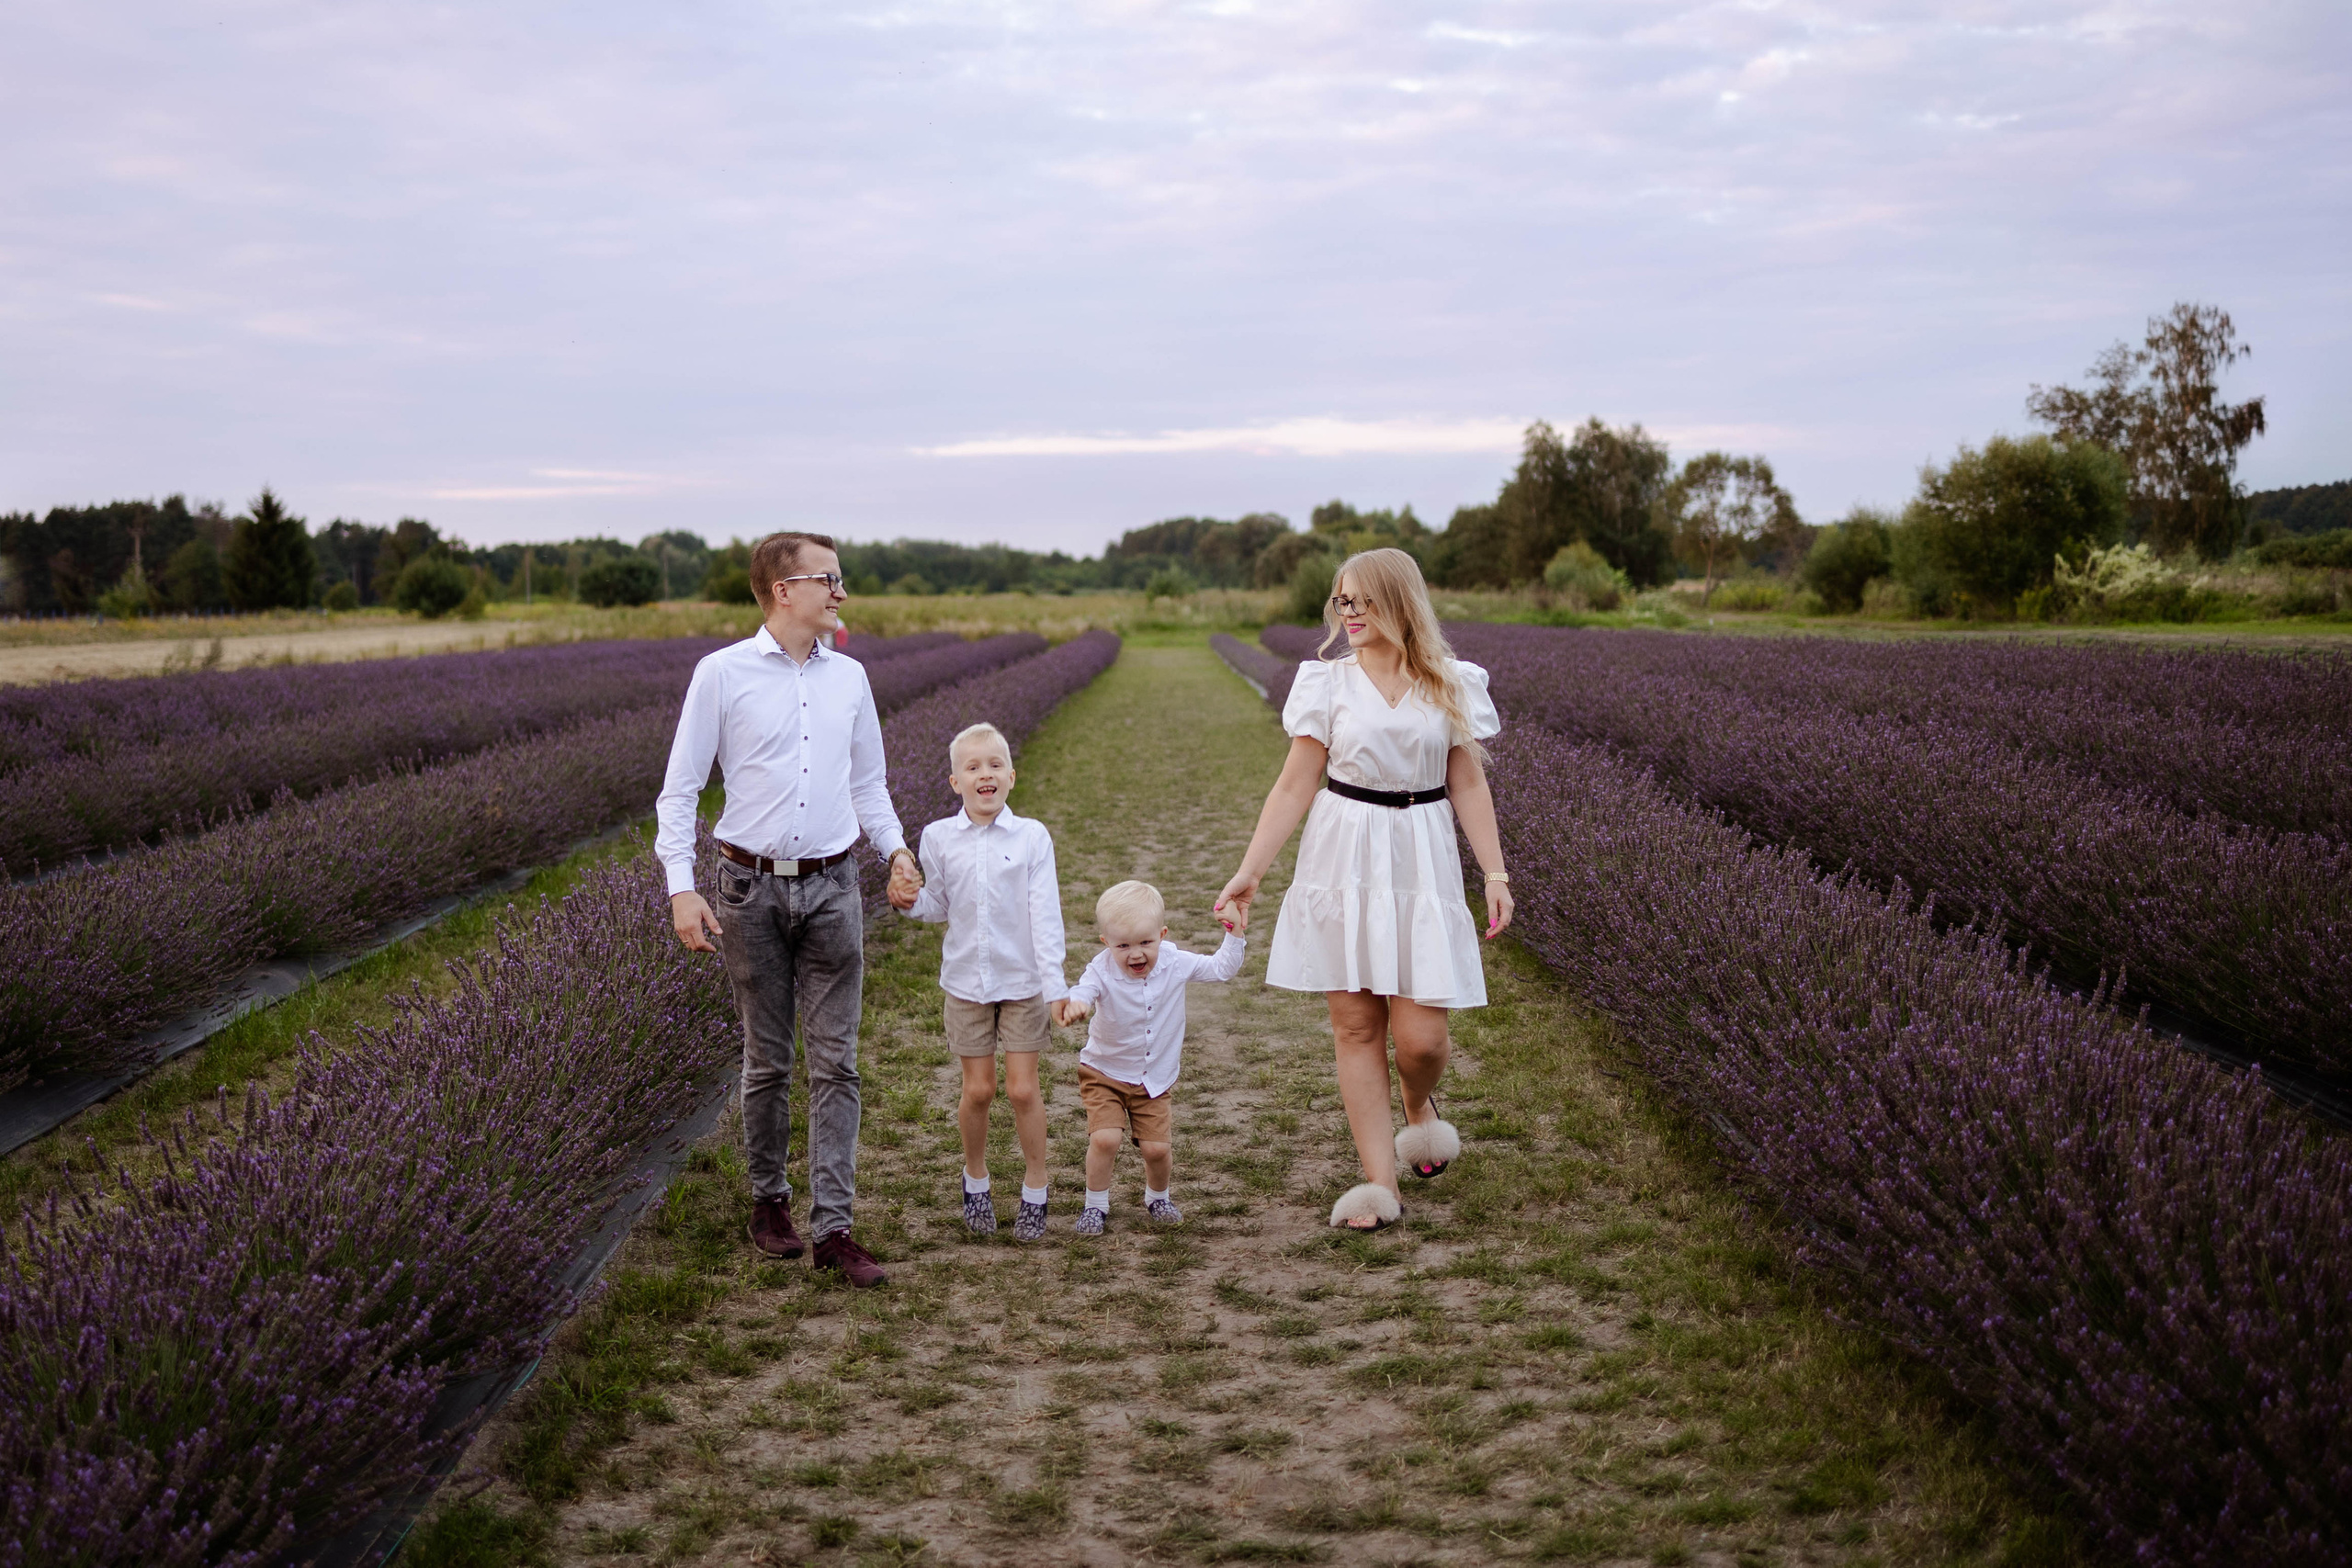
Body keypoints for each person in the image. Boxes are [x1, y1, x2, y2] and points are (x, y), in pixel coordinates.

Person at [1213, 547, 1510, 1233]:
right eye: (1339, 601)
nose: (1346, 613)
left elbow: (1467, 781)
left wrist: (1495, 873)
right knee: (1355, 1025)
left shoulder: (1451, 682)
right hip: (1343, 852)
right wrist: (1249, 873)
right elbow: (1295, 783)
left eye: (1360, 601)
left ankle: (1418, 1104)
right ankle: (1380, 1183)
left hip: (1421, 853)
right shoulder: (1327, 684)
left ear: (1396, 601)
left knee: (1423, 1039)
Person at [657, 531, 922, 1289]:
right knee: (769, 1059)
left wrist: (897, 851)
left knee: (838, 1062)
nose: (840, 592)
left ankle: (833, 1226)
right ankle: (769, 1200)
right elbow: (679, 791)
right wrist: (681, 885)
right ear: (784, 590)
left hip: (836, 883)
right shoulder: (721, 674)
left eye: (839, 581)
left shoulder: (852, 678)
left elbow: (869, 782)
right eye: (829, 580)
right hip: (748, 887)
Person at [904, 721, 1069, 1242]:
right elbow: (937, 906)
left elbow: (1045, 914)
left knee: (1022, 1090)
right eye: (972, 768)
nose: (984, 775)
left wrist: (1056, 984)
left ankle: (1036, 1188)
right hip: (966, 985)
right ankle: (975, 1178)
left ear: (1012, 777)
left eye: (994, 765)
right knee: (979, 1090)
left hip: (1023, 983)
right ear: (955, 782)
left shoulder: (1031, 837)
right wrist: (907, 899)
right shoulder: (938, 838)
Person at [1054, 880, 1246, 1235]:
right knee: (1105, 1139)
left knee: (1157, 1149)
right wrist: (1077, 1002)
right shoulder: (1100, 970)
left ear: (1162, 934)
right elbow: (1085, 990)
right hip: (1104, 1072)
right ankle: (1095, 1205)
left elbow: (1221, 969)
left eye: (1146, 942)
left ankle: (1158, 1197)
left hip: (1153, 1078)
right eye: (1123, 945)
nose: (1135, 953)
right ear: (1106, 943)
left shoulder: (1174, 962)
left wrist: (1234, 933)